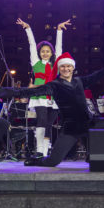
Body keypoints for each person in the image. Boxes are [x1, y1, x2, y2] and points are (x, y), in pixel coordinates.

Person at [16, 52, 104, 167]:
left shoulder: (79, 81)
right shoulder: (54, 85)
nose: (66, 69)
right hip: (71, 128)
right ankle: (37, 160)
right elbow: (35, 91)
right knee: (53, 162)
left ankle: (97, 154)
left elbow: (94, 77)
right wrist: (14, 91)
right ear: (59, 68)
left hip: (89, 123)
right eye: (63, 66)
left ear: (73, 67)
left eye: (68, 66)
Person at [16, 18, 71, 157]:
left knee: (48, 124)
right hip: (39, 95)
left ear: (51, 53)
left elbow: (59, 47)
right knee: (42, 120)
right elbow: (32, 45)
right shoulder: (35, 62)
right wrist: (28, 28)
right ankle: (40, 150)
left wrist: (59, 30)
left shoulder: (56, 63)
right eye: (43, 51)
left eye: (47, 51)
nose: (45, 53)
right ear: (39, 53)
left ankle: (45, 150)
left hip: (54, 96)